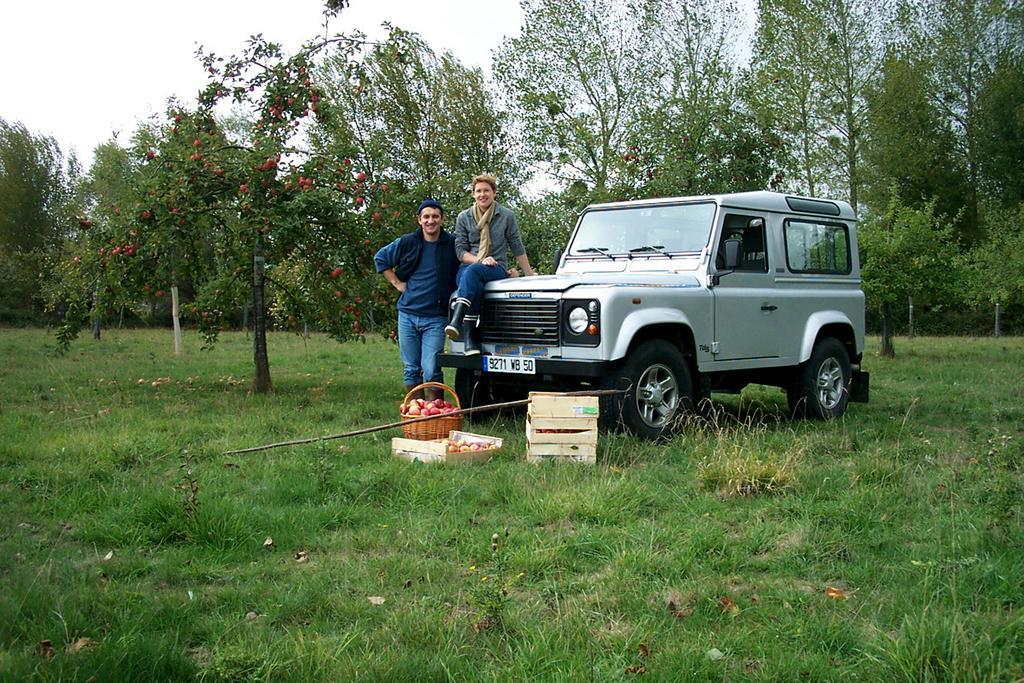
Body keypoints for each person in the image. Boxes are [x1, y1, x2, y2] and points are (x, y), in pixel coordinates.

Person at [375, 199, 459, 400]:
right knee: (411, 368)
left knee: (431, 369)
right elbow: (381, 258)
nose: (431, 221)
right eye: (426, 217)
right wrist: (397, 283)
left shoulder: (452, 244)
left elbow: (470, 260)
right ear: (419, 220)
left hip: (436, 318)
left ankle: (435, 412)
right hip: (408, 314)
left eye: (435, 216)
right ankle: (415, 415)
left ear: (442, 219)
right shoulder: (408, 242)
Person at [446, 173, 536, 354]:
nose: (482, 194)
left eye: (486, 190)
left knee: (473, 274)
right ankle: (471, 340)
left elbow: (516, 245)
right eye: (478, 191)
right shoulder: (464, 217)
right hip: (470, 266)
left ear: (494, 192)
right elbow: (460, 252)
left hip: (497, 267)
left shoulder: (506, 215)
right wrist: (480, 260)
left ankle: (457, 321)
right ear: (473, 194)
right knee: (473, 278)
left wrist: (529, 274)